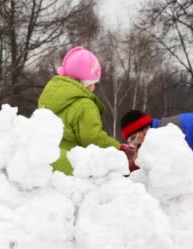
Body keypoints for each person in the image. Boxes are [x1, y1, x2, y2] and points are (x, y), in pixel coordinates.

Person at [38, 46, 135, 175]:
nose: (94, 87)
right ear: (84, 82)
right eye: (93, 83)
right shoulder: (85, 105)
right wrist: (118, 147)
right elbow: (92, 138)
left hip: (45, 163)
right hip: (71, 168)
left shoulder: (48, 96)